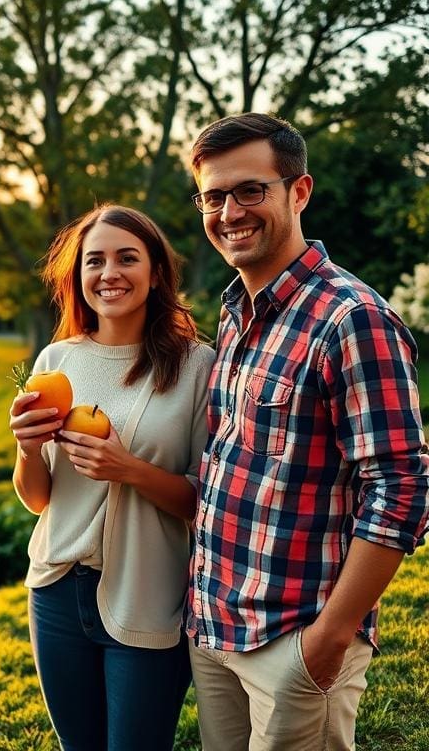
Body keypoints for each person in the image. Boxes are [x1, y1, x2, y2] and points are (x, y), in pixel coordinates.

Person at [185, 112, 429, 750]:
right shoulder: (238, 311)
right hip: (215, 626)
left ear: (299, 192)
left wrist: (328, 639)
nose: (229, 211)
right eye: (214, 196)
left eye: (250, 190)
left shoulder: (352, 320)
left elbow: (401, 488)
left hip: (296, 638)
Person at [9, 204, 215, 751]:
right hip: (55, 591)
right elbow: (38, 500)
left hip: (146, 591)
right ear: (77, 276)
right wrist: (28, 450)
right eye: (94, 261)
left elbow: (204, 503)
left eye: (128, 258)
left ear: (155, 272)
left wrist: (129, 471)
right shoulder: (57, 359)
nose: (109, 273)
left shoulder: (198, 367)